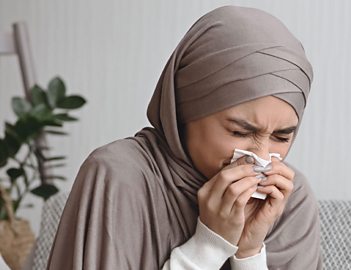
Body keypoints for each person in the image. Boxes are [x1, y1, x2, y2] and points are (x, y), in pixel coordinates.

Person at [47, 5, 322, 270]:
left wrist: (249, 254)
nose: (261, 158)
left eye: (282, 137)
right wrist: (209, 248)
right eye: (240, 132)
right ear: (183, 111)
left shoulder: (289, 198)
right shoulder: (118, 177)